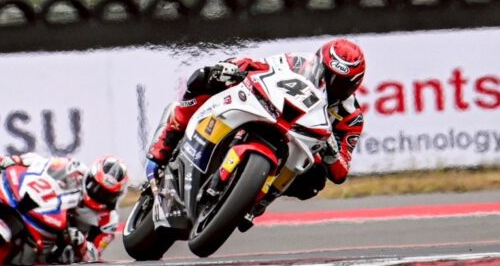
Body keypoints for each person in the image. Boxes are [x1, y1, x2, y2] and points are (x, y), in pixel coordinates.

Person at [145, 37, 367, 200]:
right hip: (269, 111)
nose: (331, 85)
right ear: (318, 64)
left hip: (297, 146)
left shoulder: (351, 117)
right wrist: (235, 67)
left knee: (315, 180)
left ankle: (256, 198)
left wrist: (331, 152)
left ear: (354, 85)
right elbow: (260, 66)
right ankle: (166, 141)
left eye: (340, 83)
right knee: (207, 77)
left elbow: (341, 173)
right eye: (327, 75)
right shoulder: (298, 62)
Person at [0, 152, 128, 264]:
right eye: (95, 186)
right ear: (90, 176)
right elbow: (42, 162)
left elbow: (94, 256)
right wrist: (16, 160)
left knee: (65, 257)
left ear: (116, 196)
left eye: (106, 194)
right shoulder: (75, 168)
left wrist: (81, 243)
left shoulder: (109, 221)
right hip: (43, 208)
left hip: (59, 243)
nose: (98, 194)